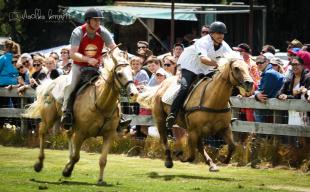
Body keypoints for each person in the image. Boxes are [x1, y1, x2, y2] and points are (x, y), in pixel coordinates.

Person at [61, 8, 127, 129]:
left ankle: (120, 116)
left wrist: (120, 57)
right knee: (70, 84)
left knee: (113, 84)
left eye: (99, 20)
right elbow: (72, 54)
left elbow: (114, 48)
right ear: (88, 21)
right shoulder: (78, 32)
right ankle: (67, 113)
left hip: (97, 66)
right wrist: (88, 59)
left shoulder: (103, 31)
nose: (98, 23)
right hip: (79, 66)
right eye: (95, 20)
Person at [166, 21, 233, 130]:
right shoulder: (202, 42)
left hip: (206, 68)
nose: (221, 35)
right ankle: (173, 114)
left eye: (222, 33)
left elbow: (233, 57)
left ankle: (228, 114)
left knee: (221, 84)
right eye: (218, 33)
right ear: (211, 34)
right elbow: (203, 59)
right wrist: (219, 63)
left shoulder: (224, 45)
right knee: (184, 87)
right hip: (190, 65)